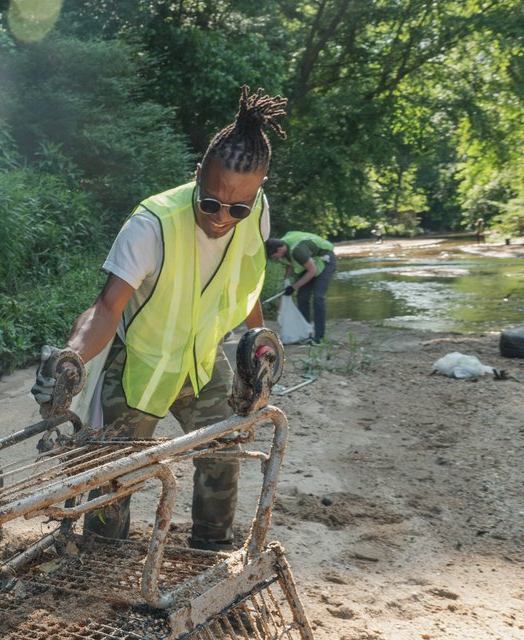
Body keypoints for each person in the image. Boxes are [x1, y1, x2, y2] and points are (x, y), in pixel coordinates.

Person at [32, 86, 287, 552]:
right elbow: (106, 308)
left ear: (258, 193)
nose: (222, 217)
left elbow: (247, 280)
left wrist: (259, 343)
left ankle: (210, 549)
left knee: (222, 450)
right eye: (210, 203)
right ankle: (101, 556)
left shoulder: (257, 215)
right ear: (197, 176)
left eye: (238, 208)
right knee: (115, 473)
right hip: (141, 367)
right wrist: (72, 360)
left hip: (203, 361)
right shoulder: (151, 225)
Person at [265, 230, 336, 344]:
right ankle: (305, 333)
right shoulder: (283, 247)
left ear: (280, 249)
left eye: (275, 256)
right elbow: (290, 264)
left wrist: (293, 287)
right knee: (302, 297)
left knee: (318, 297)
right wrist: (286, 282)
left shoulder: (297, 250)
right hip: (310, 263)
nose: (276, 259)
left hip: (325, 258)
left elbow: (312, 271)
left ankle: (319, 337)